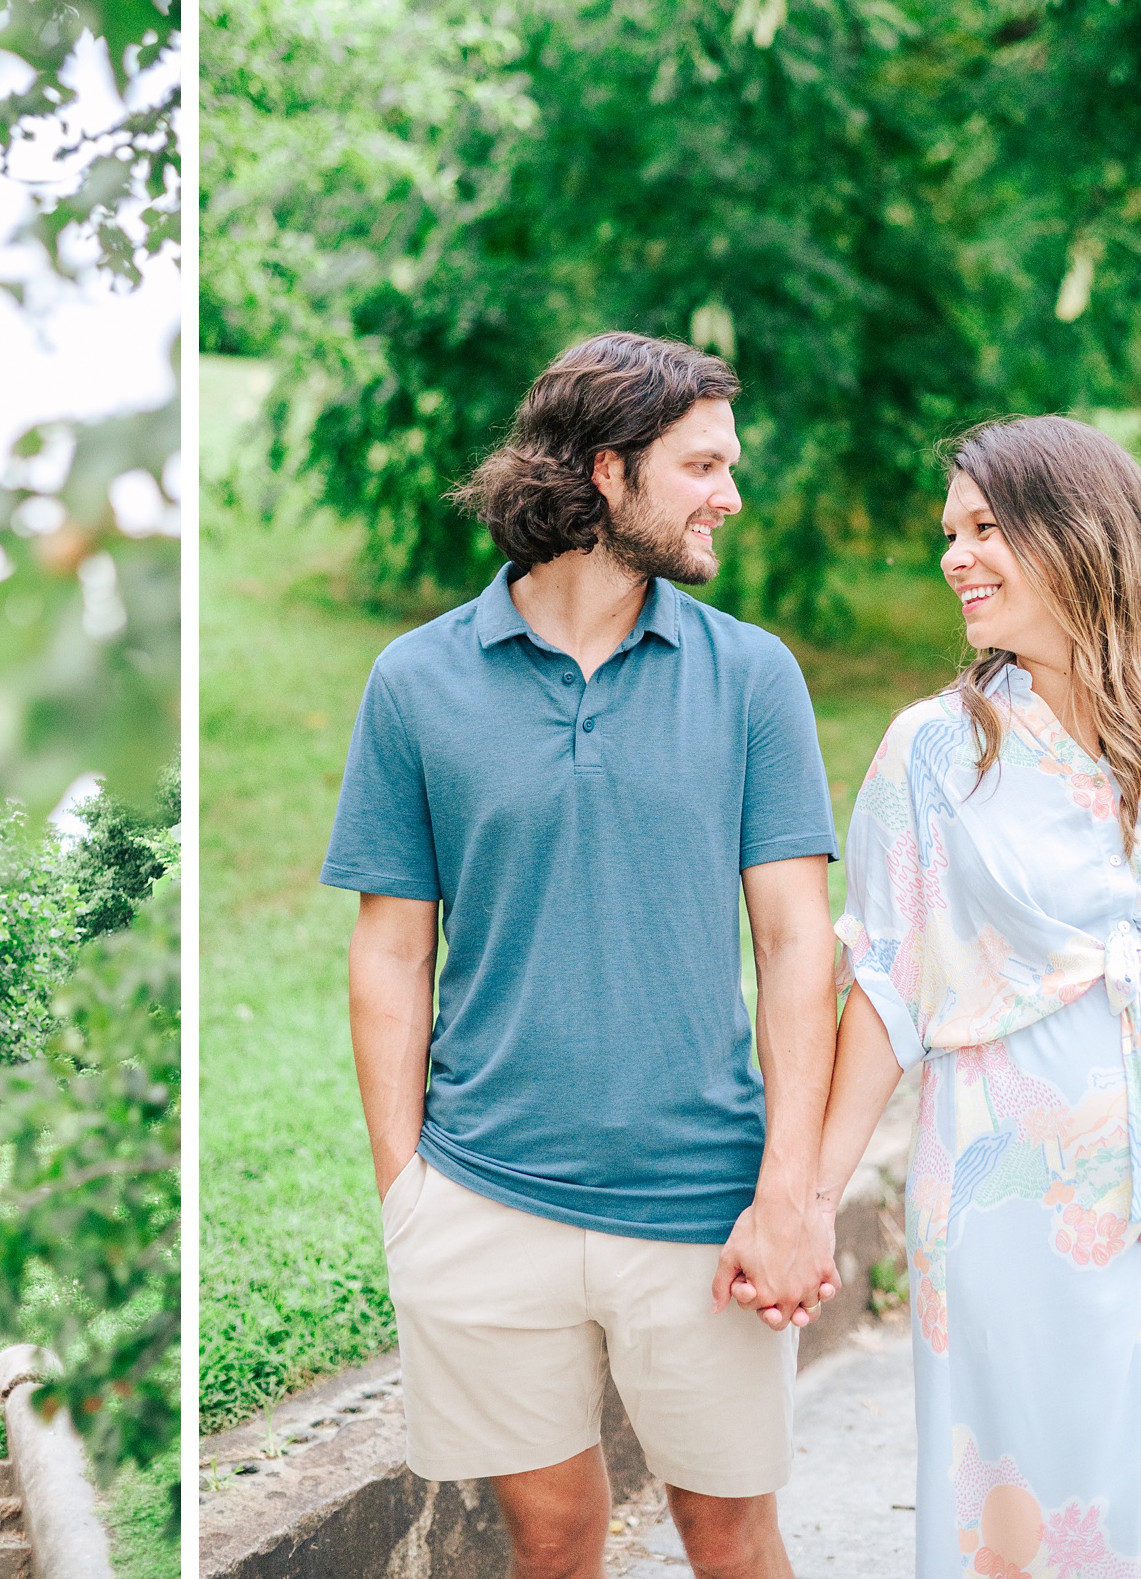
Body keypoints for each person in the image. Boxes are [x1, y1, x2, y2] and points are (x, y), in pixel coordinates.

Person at [324, 331, 844, 1579]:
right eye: (704, 463)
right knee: (550, 1540)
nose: (731, 493)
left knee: (731, 1538)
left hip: (702, 1203)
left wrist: (791, 1193)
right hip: (484, 1193)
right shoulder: (415, 683)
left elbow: (795, 945)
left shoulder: (752, 678)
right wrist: (408, 1190)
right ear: (607, 470)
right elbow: (391, 953)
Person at [808, 416, 1141, 1578]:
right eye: (950, 532)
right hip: (1005, 1203)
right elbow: (885, 987)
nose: (953, 557)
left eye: (986, 528)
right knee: (1027, 1506)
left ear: (1082, 534)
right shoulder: (935, 754)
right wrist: (812, 1199)